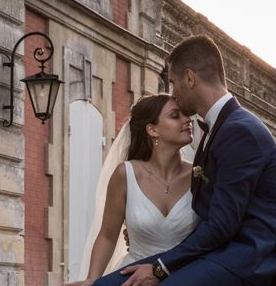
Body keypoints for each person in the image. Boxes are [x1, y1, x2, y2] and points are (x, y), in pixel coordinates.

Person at [93, 34, 276, 286]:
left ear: (189, 78)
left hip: (247, 258)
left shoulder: (239, 130)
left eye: (173, 83)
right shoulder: (218, 129)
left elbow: (222, 224)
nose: (174, 93)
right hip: (217, 252)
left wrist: (160, 267)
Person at [63, 94, 200, 286]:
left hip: (189, 276)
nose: (188, 120)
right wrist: (93, 279)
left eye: (186, 114)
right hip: (135, 278)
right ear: (152, 130)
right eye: (175, 115)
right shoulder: (125, 174)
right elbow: (108, 235)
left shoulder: (199, 175)